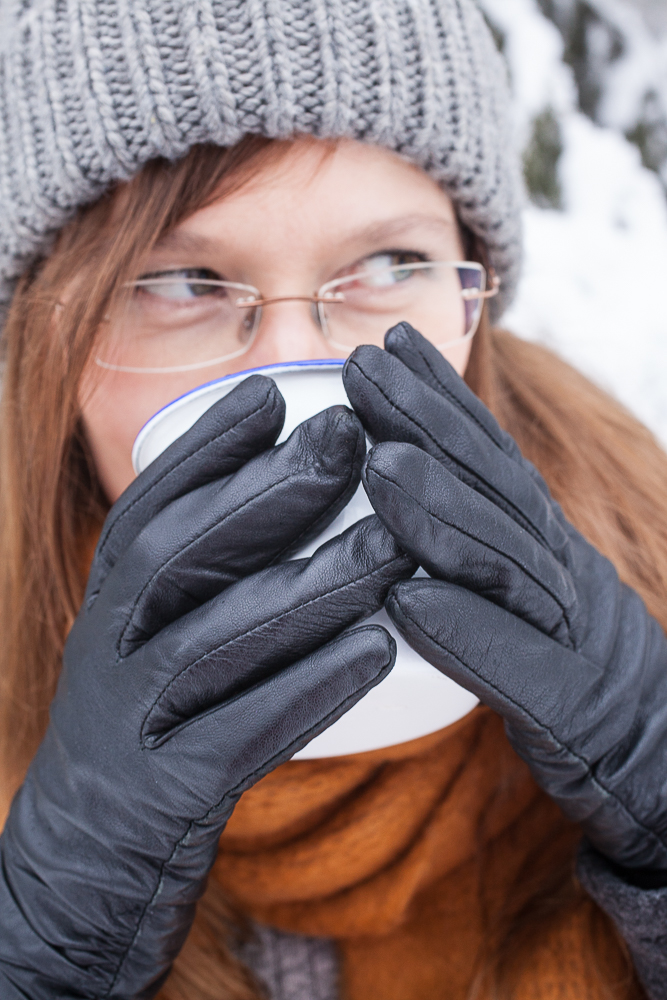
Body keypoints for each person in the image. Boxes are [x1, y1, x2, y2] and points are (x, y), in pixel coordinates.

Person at [0, 2, 666, 998]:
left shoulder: (647, 548)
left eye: (389, 265)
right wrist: (45, 952)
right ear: (48, 345)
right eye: (183, 280)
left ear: (472, 300)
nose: (295, 368)